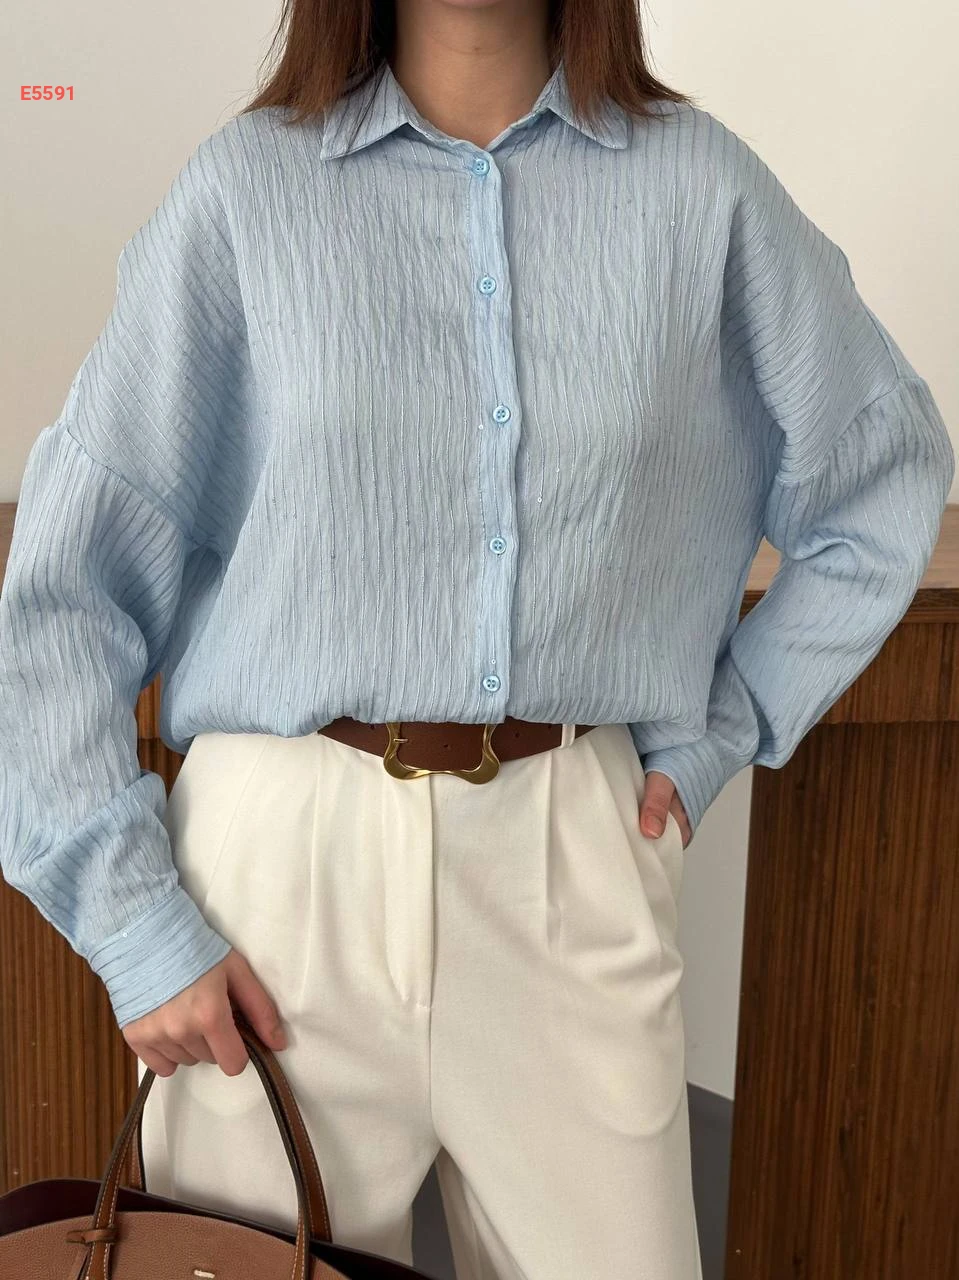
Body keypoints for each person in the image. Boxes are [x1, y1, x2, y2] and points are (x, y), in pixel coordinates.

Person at [0, 0, 954, 1276]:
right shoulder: (244, 192)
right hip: (276, 886)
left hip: (569, 857)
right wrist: (135, 922)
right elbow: (66, 591)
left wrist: (717, 731)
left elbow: (881, 476)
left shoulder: (702, 191)